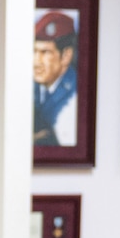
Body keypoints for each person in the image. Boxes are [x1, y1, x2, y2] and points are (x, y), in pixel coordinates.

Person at [33, 10, 78, 147]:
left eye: (45, 52)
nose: (36, 62)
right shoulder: (31, 88)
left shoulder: (76, 95)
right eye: (34, 51)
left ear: (66, 56)